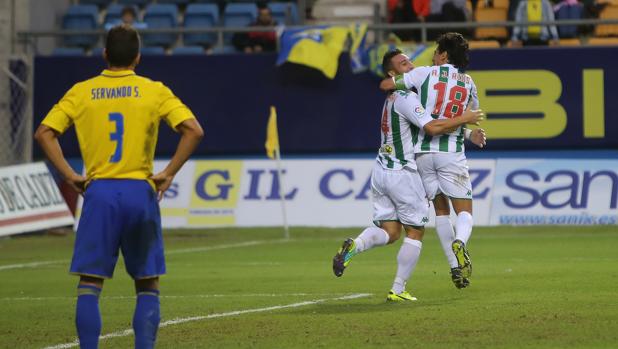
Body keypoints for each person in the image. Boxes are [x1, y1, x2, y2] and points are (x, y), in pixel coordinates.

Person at [34, 25, 203, 349]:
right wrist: (168, 172)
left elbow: (44, 133)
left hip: (99, 194)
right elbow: (193, 130)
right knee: (147, 282)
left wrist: (70, 175)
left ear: (105, 55)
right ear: (138, 57)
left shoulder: (81, 91)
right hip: (140, 192)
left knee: (90, 282)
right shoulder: (154, 90)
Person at [332, 49, 484, 301]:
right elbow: (433, 128)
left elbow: (428, 126)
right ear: (392, 73)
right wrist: (466, 118)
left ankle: (354, 245)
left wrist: (467, 134)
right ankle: (398, 289)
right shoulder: (406, 99)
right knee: (415, 232)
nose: (411, 65)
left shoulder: (393, 99)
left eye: (410, 60)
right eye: (404, 64)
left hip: (382, 170)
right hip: (403, 172)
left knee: (390, 232)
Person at [379, 33, 484, 289]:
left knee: (440, 211)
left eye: (436, 51)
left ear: (444, 55)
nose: (433, 56)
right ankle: (460, 243)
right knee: (465, 213)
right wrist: (471, 133)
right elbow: (467, 117)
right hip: (452, 155)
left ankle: (455, 268)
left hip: (423, 154)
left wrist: (397, 81)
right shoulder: (469, 83)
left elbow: (386, 85)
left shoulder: (424, 73)